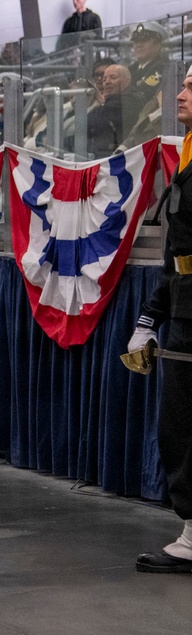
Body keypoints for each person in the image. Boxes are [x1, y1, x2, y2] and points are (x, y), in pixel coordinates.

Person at [131, 65, 192, 575]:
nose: (182, 92)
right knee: (179, 422)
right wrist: (151, 317)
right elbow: (178, 252)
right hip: (183, 304)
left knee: (184, 422)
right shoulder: (189, 155)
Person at [128, 22, 166, 106]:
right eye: (136, 41)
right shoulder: (130, 70)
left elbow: (143, 96)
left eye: (144, 40)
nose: (139, 45)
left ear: (158, 45)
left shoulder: (162, 69)